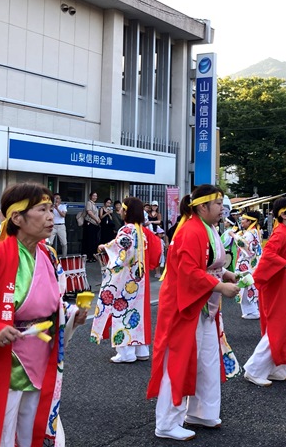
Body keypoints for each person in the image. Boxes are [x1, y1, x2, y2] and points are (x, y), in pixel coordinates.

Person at [0, 182, 88, 446]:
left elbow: (50, 304)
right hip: (6, 361)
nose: (50, 216)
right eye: (42, 209)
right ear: (17, 218)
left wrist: (70, 313)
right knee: (0, 430)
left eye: (50, 209)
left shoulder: (47, 255)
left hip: (40, 357)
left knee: (31, 428)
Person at [147, 185, 239, 441]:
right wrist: (220, 285)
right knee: (179, 361)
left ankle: (201, 412)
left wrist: (226, 274)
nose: (222, 209)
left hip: (202, 303)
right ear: (202, 206)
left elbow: (208, 264)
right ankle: (167, 423)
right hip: (185, 305)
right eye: (218, 204)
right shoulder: (190, 230)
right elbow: (189, 271)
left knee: (207, 359)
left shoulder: (207, 228)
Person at [243, 198, 286, 387]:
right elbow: (269, 255)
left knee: (285, 327)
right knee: (277, 328)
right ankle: (253, 370)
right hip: (277, 286)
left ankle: (276, 369)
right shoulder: (280, 233)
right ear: (283, 215)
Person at [91, 196, 161, 363]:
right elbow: (156, 247)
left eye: (123, 209)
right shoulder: (141, 230)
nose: (121, 211)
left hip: (125, 278)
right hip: (139, 278)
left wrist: (104, 247)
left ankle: (125, 353)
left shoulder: (127, 229)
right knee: (137, 313)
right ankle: (141, 349)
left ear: (127, 211)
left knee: (121, 310)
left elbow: (120, 250)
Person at [233, 211, 263, 320]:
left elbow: (245, 246)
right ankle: (251, 310)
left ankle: (252, 311)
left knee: (245, 286)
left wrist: (234, 235)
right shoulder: (254, 231)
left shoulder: (250, 233)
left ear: (250, 221)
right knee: (248, 286)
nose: (241, 221)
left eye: (243, 220)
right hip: (251, 263)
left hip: (247, 263)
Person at [83, 192, 101, 263]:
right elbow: (89, 212)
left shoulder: (94, 204)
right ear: (90, 196)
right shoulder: (89, 203)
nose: (95, 197)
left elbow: (95, 214)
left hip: (94, 224)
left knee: (93, 241)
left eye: (96, 196)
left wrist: (98, 219)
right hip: (89, 223)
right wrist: (96, 219)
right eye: (93, 196)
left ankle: (92, 256)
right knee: (89, 240)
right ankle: (89, 256)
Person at [48, 193, 67, 257]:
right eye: (55, 198)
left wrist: (57, 208)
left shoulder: (63, 206)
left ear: (60, 200)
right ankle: (49, 257)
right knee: (49, 243)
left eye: (57, 198)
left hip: (61, 226)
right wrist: (52, 208)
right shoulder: (50, 207)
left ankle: (64, 257)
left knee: (64, 243)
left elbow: (63, 215)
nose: (56, 200)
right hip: (52, 226)